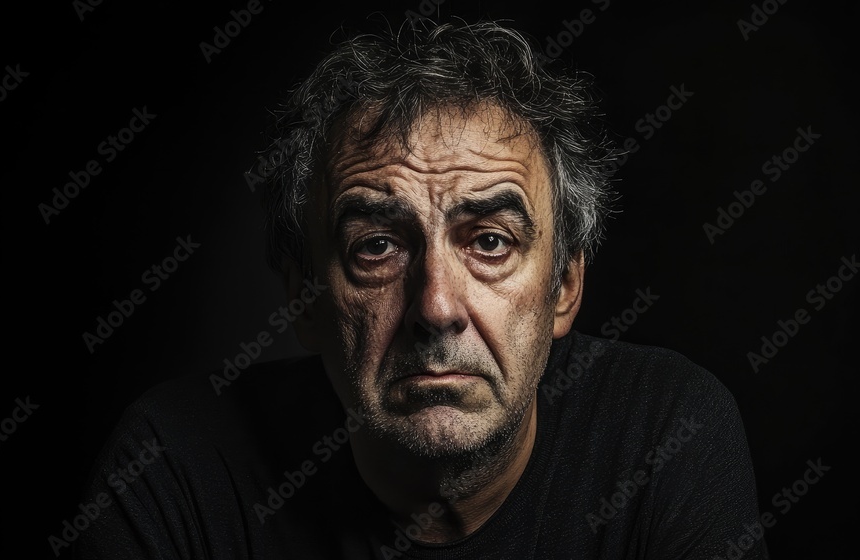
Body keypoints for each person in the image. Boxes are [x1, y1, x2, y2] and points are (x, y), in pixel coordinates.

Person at [74, 20, 766, 559]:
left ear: (565, 285)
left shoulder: (668, 435)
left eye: (490, 241)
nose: (435, 307)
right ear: (307, 297)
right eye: (376, 246)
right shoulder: (178, 466)